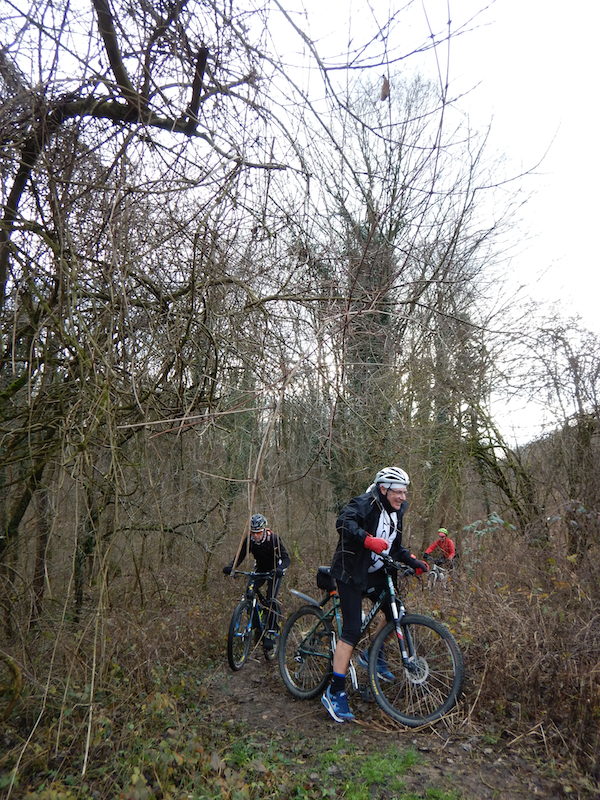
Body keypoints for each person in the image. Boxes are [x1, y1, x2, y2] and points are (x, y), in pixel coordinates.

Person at [321, 467, 429, 723]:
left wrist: (412, 560)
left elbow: (395, 546)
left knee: (397, 613)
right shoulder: (363, 503)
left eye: (405, 492)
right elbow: (343, 523)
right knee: (352, 630)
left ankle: (372, 654)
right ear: (383, 489)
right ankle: (334, 691)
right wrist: (366, 540)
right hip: (351, 572)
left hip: (376, 571)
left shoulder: (397, 511)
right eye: (398, 492)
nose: (403, 497)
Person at [223, 513, 291, 651]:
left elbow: (286, 559)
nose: (256, 536)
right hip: (260, 569)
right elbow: (240, 556)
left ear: (264, 530)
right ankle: (255, 625)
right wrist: (231, 567)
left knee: (270, 599)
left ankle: (271, 633)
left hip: (274, 571)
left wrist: (280, 569)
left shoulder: (273, 539)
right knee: (249, 593)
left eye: (258, 533)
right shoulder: (250, 540)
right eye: (253, 533)